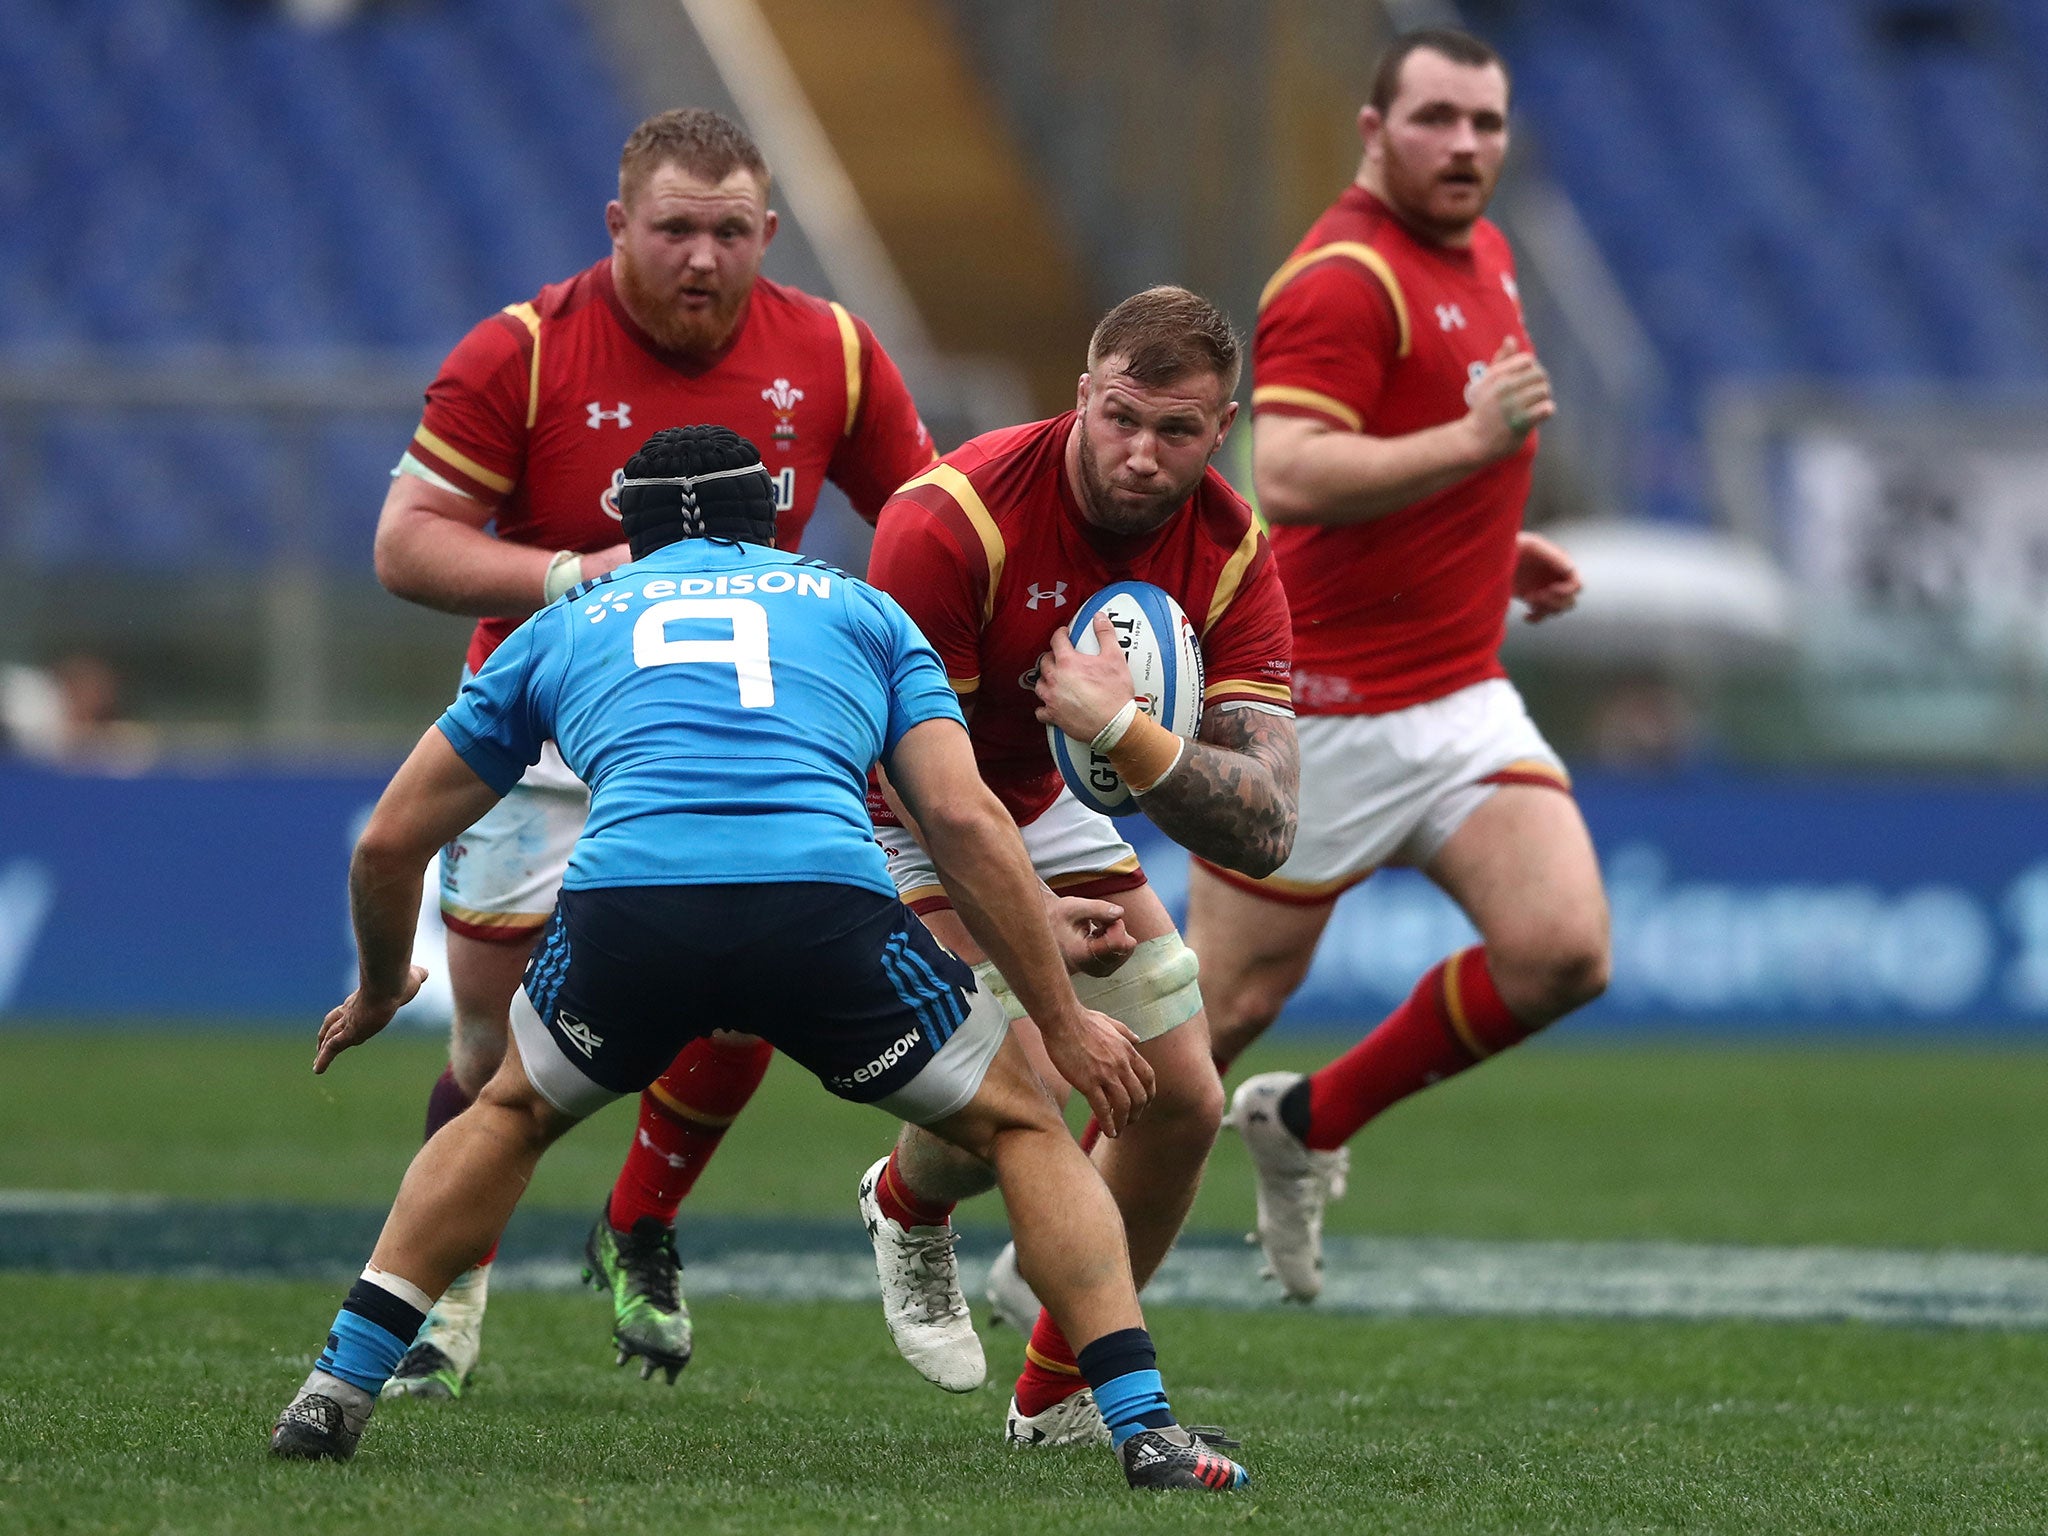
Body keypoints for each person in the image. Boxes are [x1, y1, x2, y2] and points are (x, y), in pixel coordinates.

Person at [269, 426, 1249, 1494]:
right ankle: (1142, 1430)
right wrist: (1059, 1018)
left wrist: (376, 990)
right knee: (1022, 1124)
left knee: (510, 1113)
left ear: (627, 537)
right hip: (819, 910)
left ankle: (335, 1386)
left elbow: (387, 845)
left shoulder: (563, 626)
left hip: (629, 911)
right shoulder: (862, 610)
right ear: (770, 522)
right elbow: (964, 822)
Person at [371, 106, 933, 1396]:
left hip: (744, 746)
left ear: (769, 234)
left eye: (730, 232)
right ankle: (448, 1304)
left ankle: (638, 1219)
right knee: (491, 1046)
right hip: (542, 739)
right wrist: (573, 576)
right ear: (619, 224)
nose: (702, 257)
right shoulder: (517, 353)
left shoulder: (833, 352)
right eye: (675, 228)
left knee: (749, 993)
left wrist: (890, 683)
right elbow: (407, 542)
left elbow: (925, 519)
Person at [1182, 27, 1612, 1302]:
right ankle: (963, 1208)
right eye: (1435, 119)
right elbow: (1296, 471)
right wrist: (1474, 445)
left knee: (1561, 952)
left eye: (1485, 122)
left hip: (1457, 690)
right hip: (1317, 711)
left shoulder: (1480, 247)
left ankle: (1308, 1124)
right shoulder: (1339, 277)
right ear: (1373, 129)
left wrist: (1490, 543)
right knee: (1203, 1024)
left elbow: (1422, 450)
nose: (1465, 145)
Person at [849, 285, 1299, 1445]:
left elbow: (1265, 825)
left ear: (1224, 425)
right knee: (1023, 1095)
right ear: (1083, 393)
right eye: (1119, 419)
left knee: (1180, 1099)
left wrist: (1123, 734)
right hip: (894, 798)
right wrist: (1032, 923)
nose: (1142, 456)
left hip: (1036, 801)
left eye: (1178, 431)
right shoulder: (949, 520)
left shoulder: (1231, 545)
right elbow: (928, 796)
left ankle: (1052, 1397)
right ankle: (905, 1203)